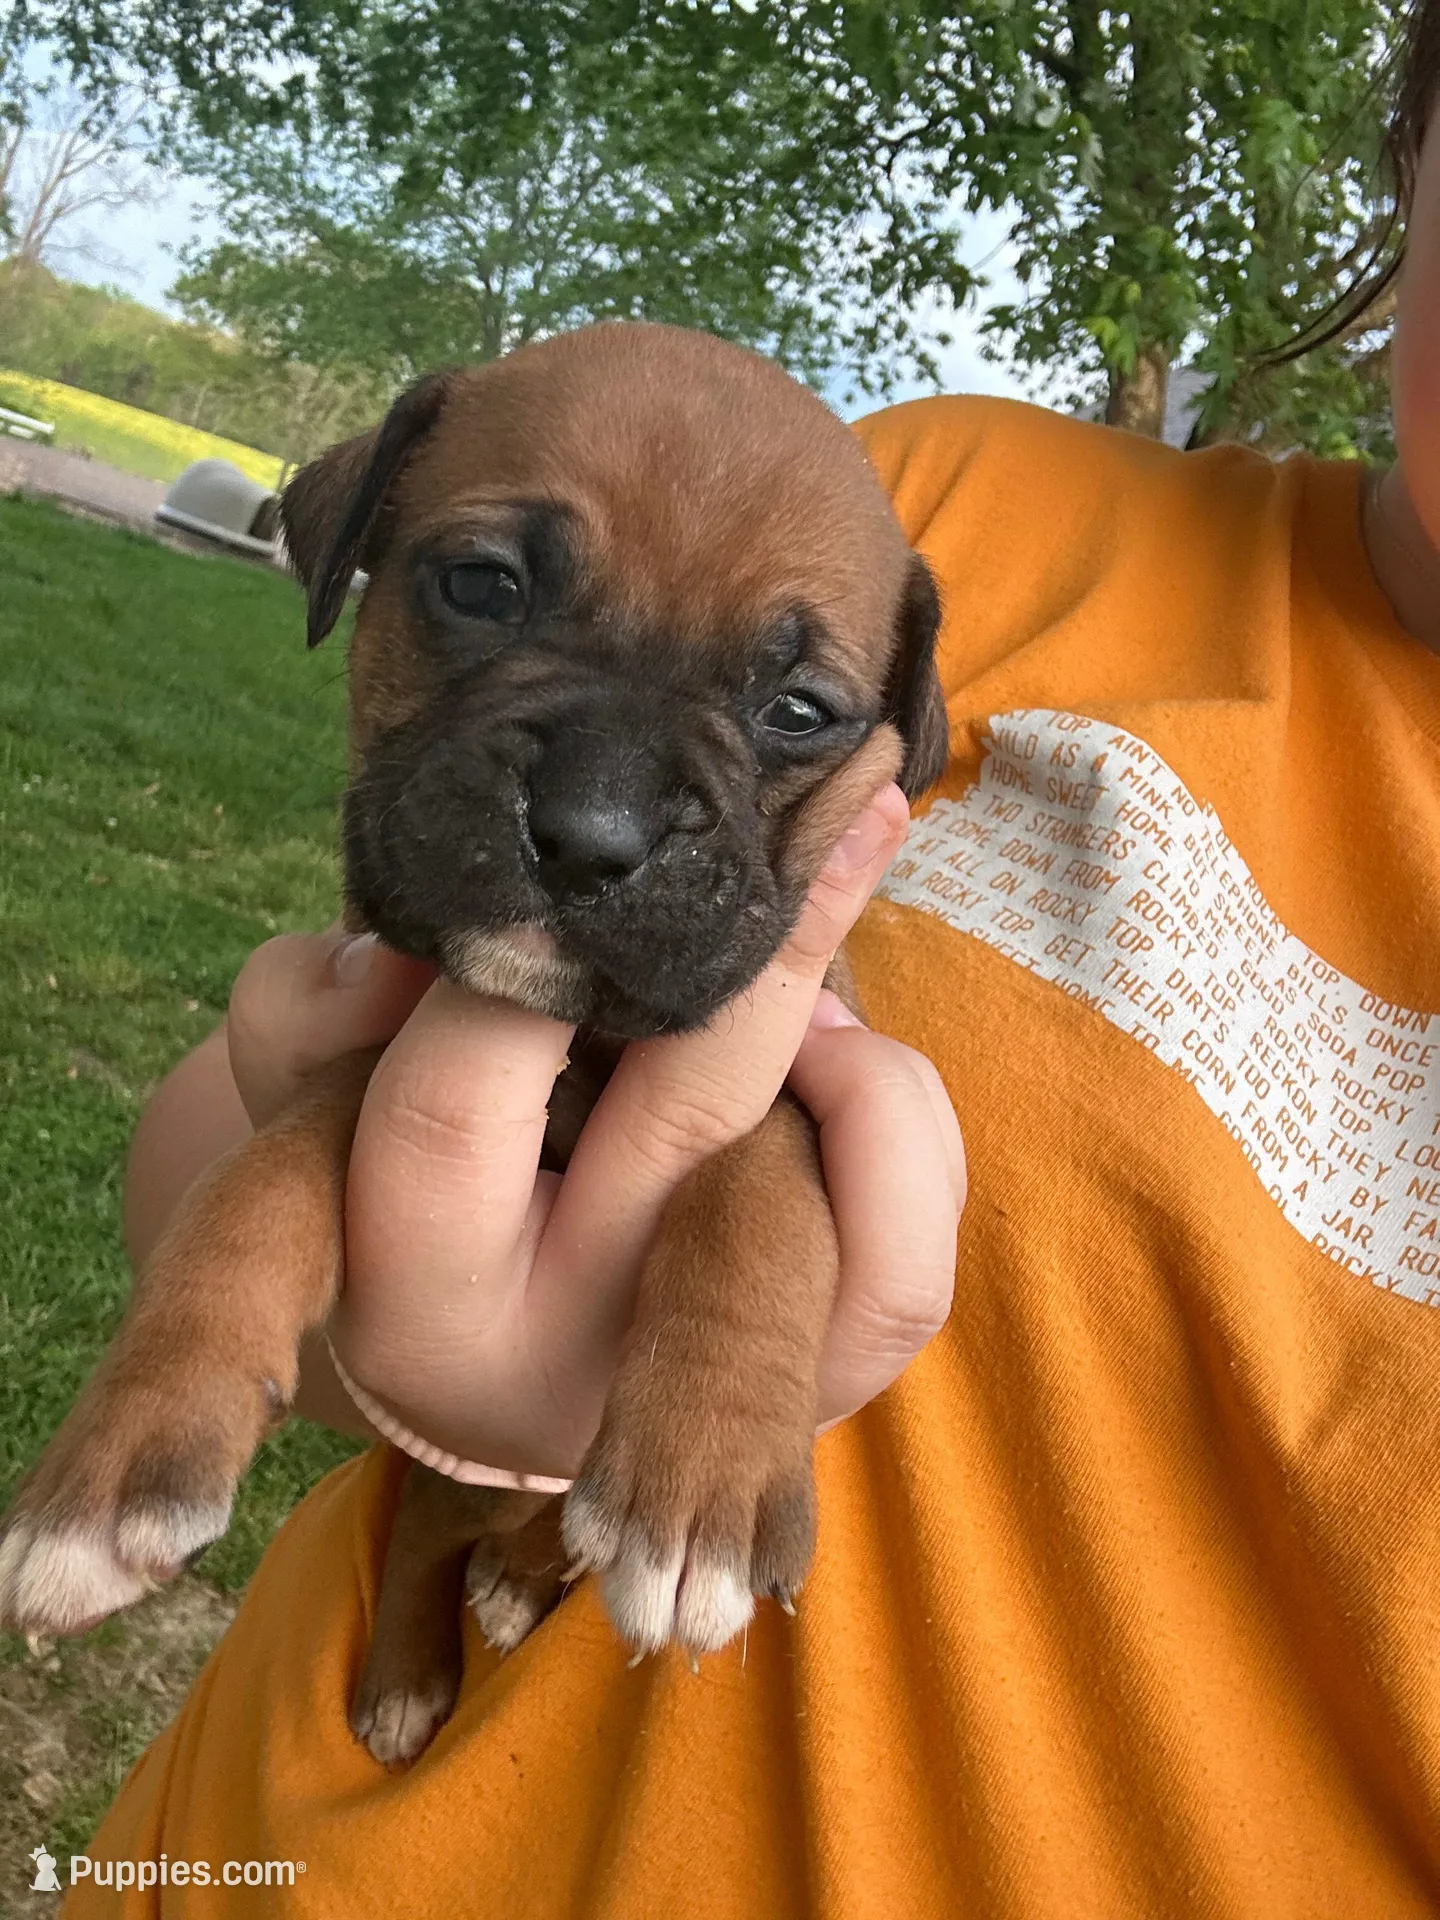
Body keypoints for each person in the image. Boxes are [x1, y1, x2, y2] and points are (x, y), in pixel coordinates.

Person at [70, 2, 1440, 1910]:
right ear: (1410, 159)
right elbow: (241, 1143)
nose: (612, 816)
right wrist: (285, 1261)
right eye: (484, 594)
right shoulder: (931, 503)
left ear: (886, 721)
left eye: (786, 720)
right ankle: (411, 1609)